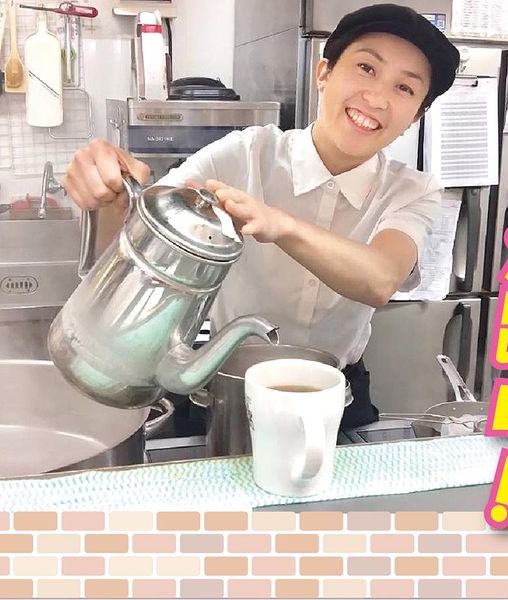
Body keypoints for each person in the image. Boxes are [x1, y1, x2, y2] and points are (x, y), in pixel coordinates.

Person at [63, 4, 460, 428]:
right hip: (224, 389)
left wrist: (280, 225)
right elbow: (137, 238)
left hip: (334, 396)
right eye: (366, 68)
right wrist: (106, 196)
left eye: (404, 88)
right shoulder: (244, 153)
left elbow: (381, 279)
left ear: (415, 116)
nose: (378, 98)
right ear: (323, 73)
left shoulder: (412, 190)